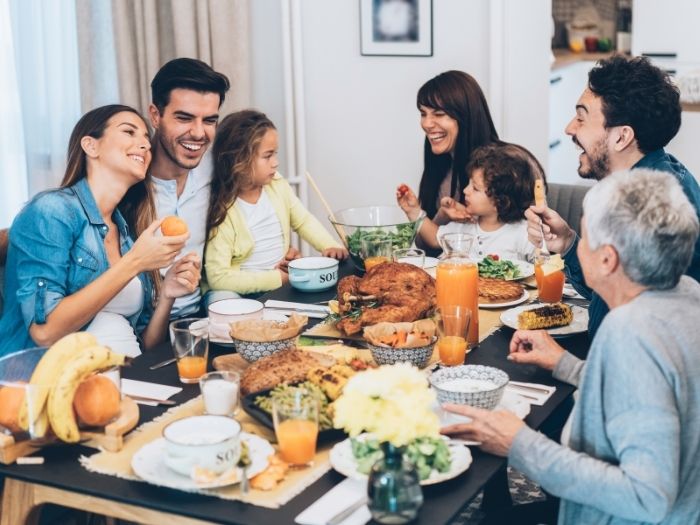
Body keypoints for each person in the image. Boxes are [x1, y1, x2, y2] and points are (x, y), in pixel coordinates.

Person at [443, 169, 700, 524]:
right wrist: (566, 364)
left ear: (608, 259)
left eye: (585, 238)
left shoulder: (630, 330)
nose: (578, 247)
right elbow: (655, 390)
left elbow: (647, 497)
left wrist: (518, 443)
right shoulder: (687, 293)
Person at [0, 105, 200, 357]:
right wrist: (136, 262)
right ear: (91, 146)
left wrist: (168, 294)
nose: (146, 145)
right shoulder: (51, 211)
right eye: (129, 132)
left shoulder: (127, 234)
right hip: (53, 380)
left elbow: (146, 345)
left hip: (131, 373)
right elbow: (45, 332)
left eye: (146, 139)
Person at [527, 55, 700, 339]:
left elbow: (643, 355)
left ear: (622, 137)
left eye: (582, 118)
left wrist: (562, 364)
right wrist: (568, 243)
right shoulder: (648, 182)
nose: (570, 128)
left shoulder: (651, 211)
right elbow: (611, 292)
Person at [204, 110, 347, 296]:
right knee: (220, 299)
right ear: (239, 160)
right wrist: (277, 278)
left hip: (277, 281)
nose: (275, 163)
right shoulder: (223, 210)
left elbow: (303, 221)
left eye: (275, 154)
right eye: (267, 156)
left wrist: (329, 245)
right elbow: (219, 278)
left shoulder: (277, 185)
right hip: (237, 289)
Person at [148, 58, 230, 319]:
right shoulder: (126, 182)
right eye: (184, 118)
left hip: (202, 319)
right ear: (155, 116)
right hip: (138, 333)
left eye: (209, 120)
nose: (198, 133)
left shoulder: (217, 168)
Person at [398, 70, 500, 247]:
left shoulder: (507, 167)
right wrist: (443, 215)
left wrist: (473, 217)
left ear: (465, 116)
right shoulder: (441, 166)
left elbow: (530, 241)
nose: (427, 124)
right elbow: (426, 246)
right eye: (423, 113)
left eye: (438, 114)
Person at [399, 142, 544, 262]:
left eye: (475, 188)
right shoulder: (464, 227)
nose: (465, 191)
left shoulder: (525, 234)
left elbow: (545, 267)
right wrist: (414, 211)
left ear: (500, 201)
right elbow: (433, 237)